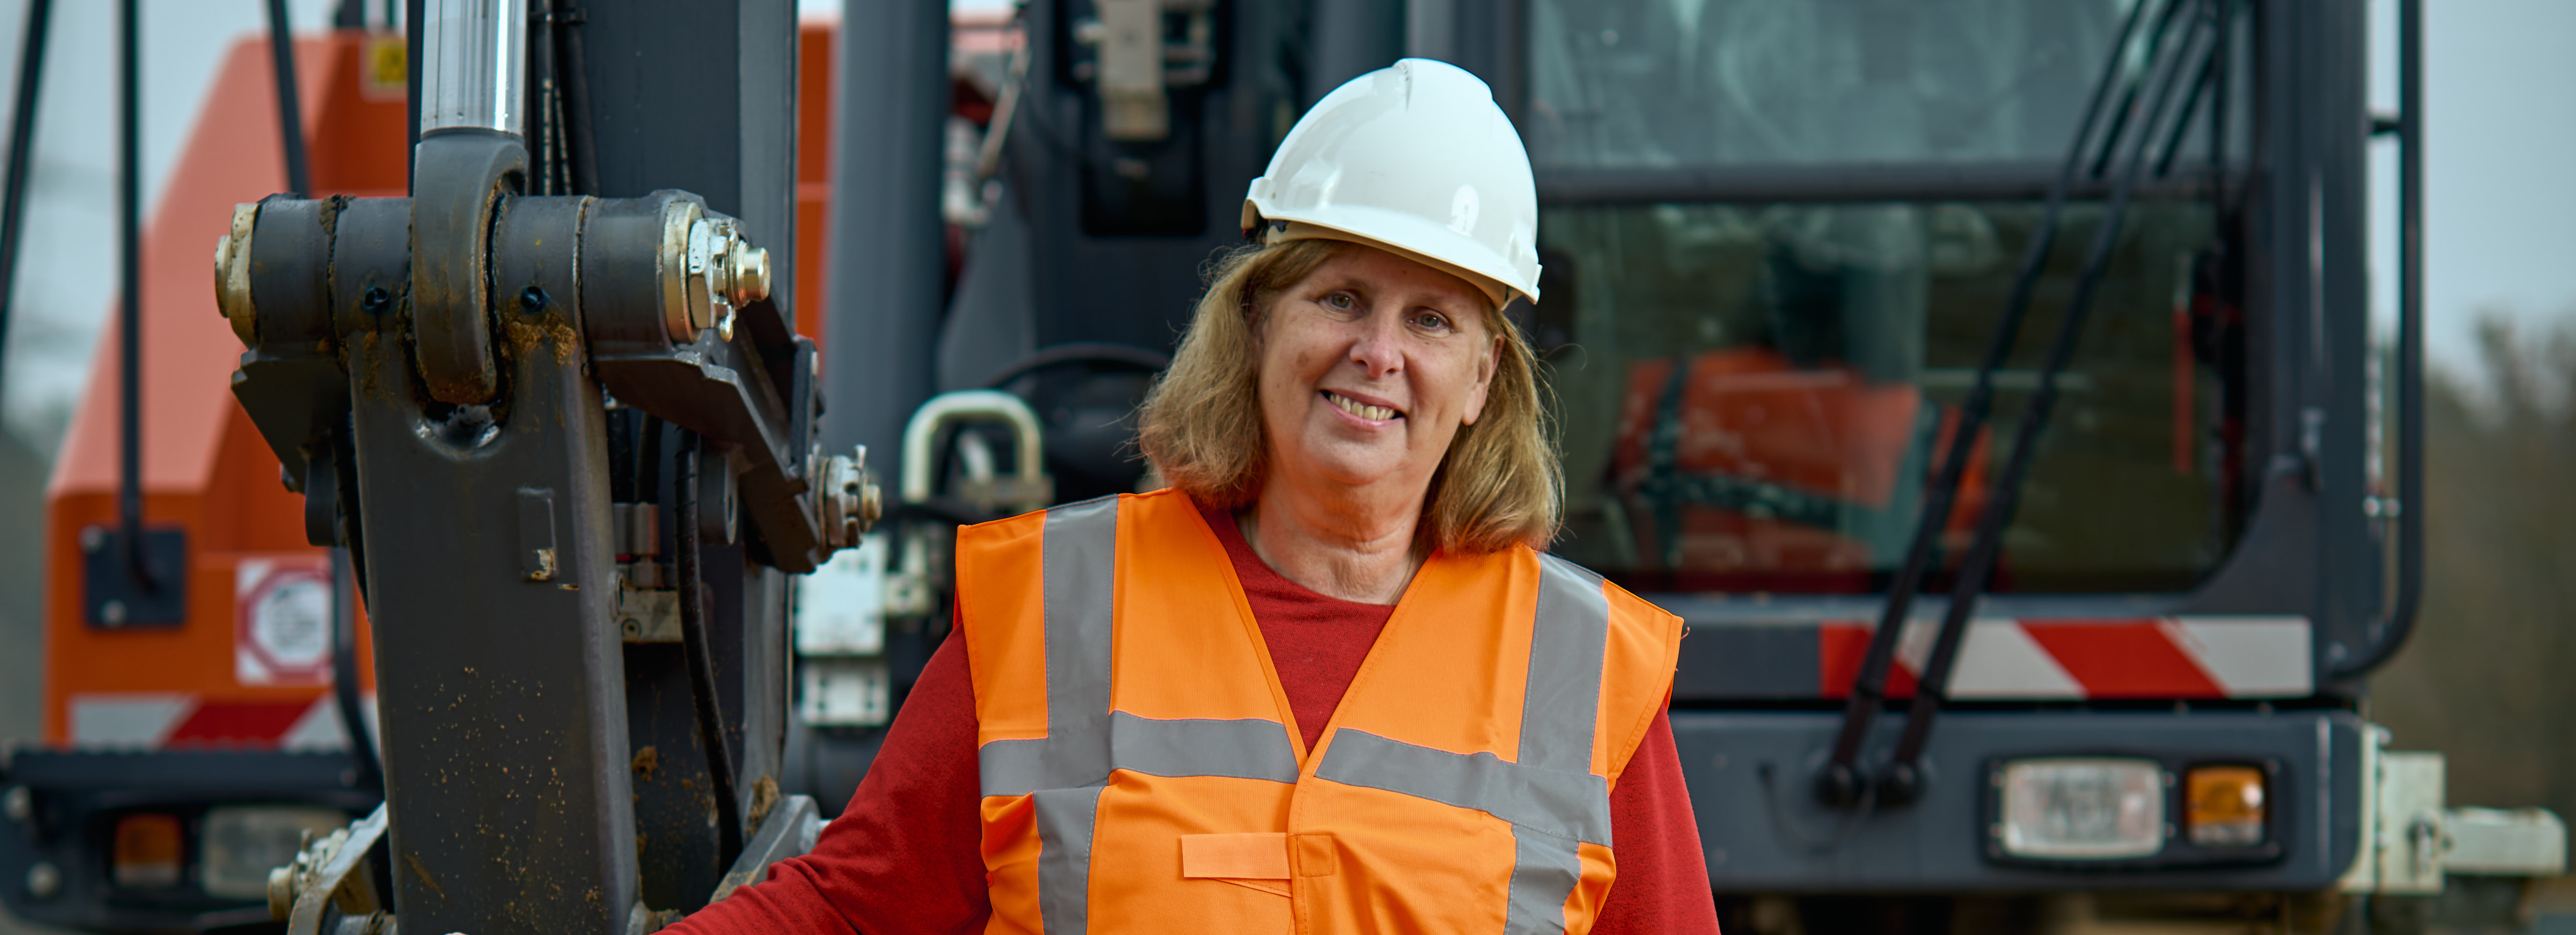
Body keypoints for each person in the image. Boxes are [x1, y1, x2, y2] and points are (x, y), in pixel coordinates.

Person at [667, 58, 1720, 934]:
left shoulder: (1584, 674)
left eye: (1433, 320)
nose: (1377, 353)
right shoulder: (1059, 607)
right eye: (1341, 297)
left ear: (1485, 379)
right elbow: (857, 912)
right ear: (1258, 324)